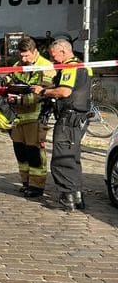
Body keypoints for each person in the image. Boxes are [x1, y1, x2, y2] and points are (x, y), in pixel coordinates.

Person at [32, 39, 92, 211]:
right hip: (79, 117)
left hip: (69, 118)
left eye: (53, 55)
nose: (52, 60)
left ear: (64, 51)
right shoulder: (83, 66)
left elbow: (65, 91)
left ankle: (67, 199)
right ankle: (77, 196)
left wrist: (43, 91)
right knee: (73, 157)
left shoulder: (70, 67)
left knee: (62, 158)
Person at [2, 37, 55, 198]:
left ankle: (37, 186)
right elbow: (9, 79)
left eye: (26, 56)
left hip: (36, 115)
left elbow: (43, 92)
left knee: (34, 153)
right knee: (21, 152)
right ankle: (26, 183)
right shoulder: (19, 65)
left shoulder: (46, 67)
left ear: (35, 51)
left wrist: (20, 99)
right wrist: (5, 85)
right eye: (21, 56)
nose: (23, 59)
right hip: (18, 117)